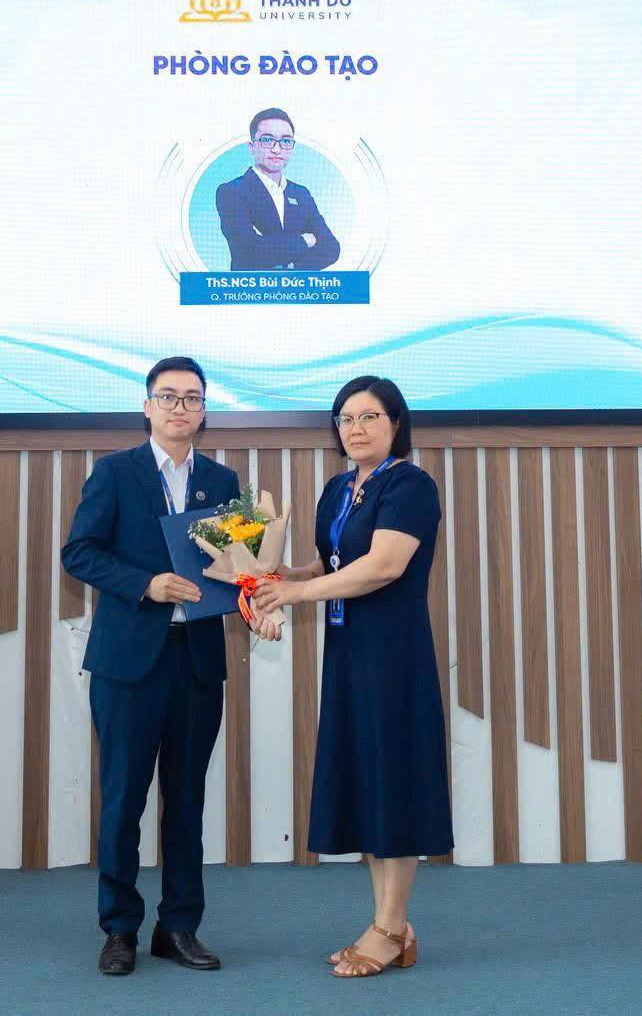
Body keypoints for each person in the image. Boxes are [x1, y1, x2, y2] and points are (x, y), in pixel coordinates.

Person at [60, 357, 279, 977]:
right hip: (129, 662)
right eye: (168, 396)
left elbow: (239, 567)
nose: (180, 407)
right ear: (147, 406)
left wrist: (260, 589)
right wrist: (145, 584)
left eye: (192, 397)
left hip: (197, 661)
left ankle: (178, 927)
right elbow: (79, 553)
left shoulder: (223, 481)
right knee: (123, 799)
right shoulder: (114, 472)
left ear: (204, 411)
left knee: (186, 801)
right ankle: (119, 929)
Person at [251, 375, 450, 978]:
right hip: (346, 651)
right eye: (345, 418)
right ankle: (392, 927)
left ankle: (389, 927)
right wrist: (283, 575)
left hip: (393, 654)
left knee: (395, 781)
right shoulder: (339, 489)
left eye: (369, 417)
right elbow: (333, 563)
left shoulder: (410, 485)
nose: (355, 428)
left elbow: (383, 566)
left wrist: (296, 594)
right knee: (368, 781)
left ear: (396, 424)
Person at [213, 109, 340, 271]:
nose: (277, 149)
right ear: (251, 147)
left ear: (292, 147)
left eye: (285, 141)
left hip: (297, 285)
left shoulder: (301, 194)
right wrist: (305, 240)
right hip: (251, 285)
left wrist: (291, 266)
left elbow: (331, 248)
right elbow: (247, 252)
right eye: (267, 140)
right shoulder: (232, 191)